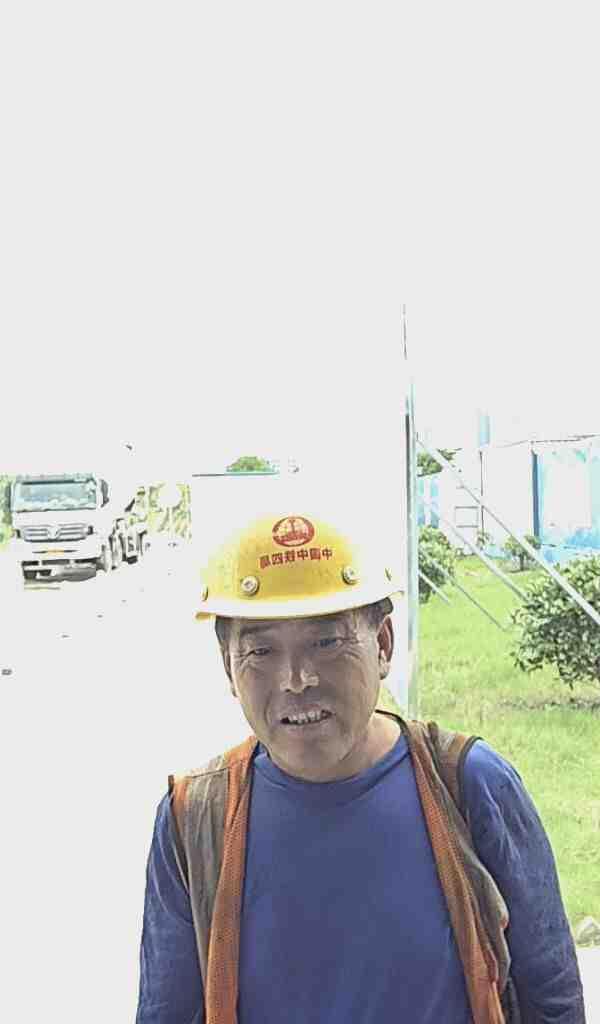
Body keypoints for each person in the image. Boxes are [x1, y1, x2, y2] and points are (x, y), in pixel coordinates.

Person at [135, 511, 585, 1023]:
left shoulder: (470, 783)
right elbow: (165, 1012)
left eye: (327, 642)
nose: (297, 679)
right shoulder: (193, 818)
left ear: (383, 645)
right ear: (228, 667)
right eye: (260, 650)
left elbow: (553, 995)